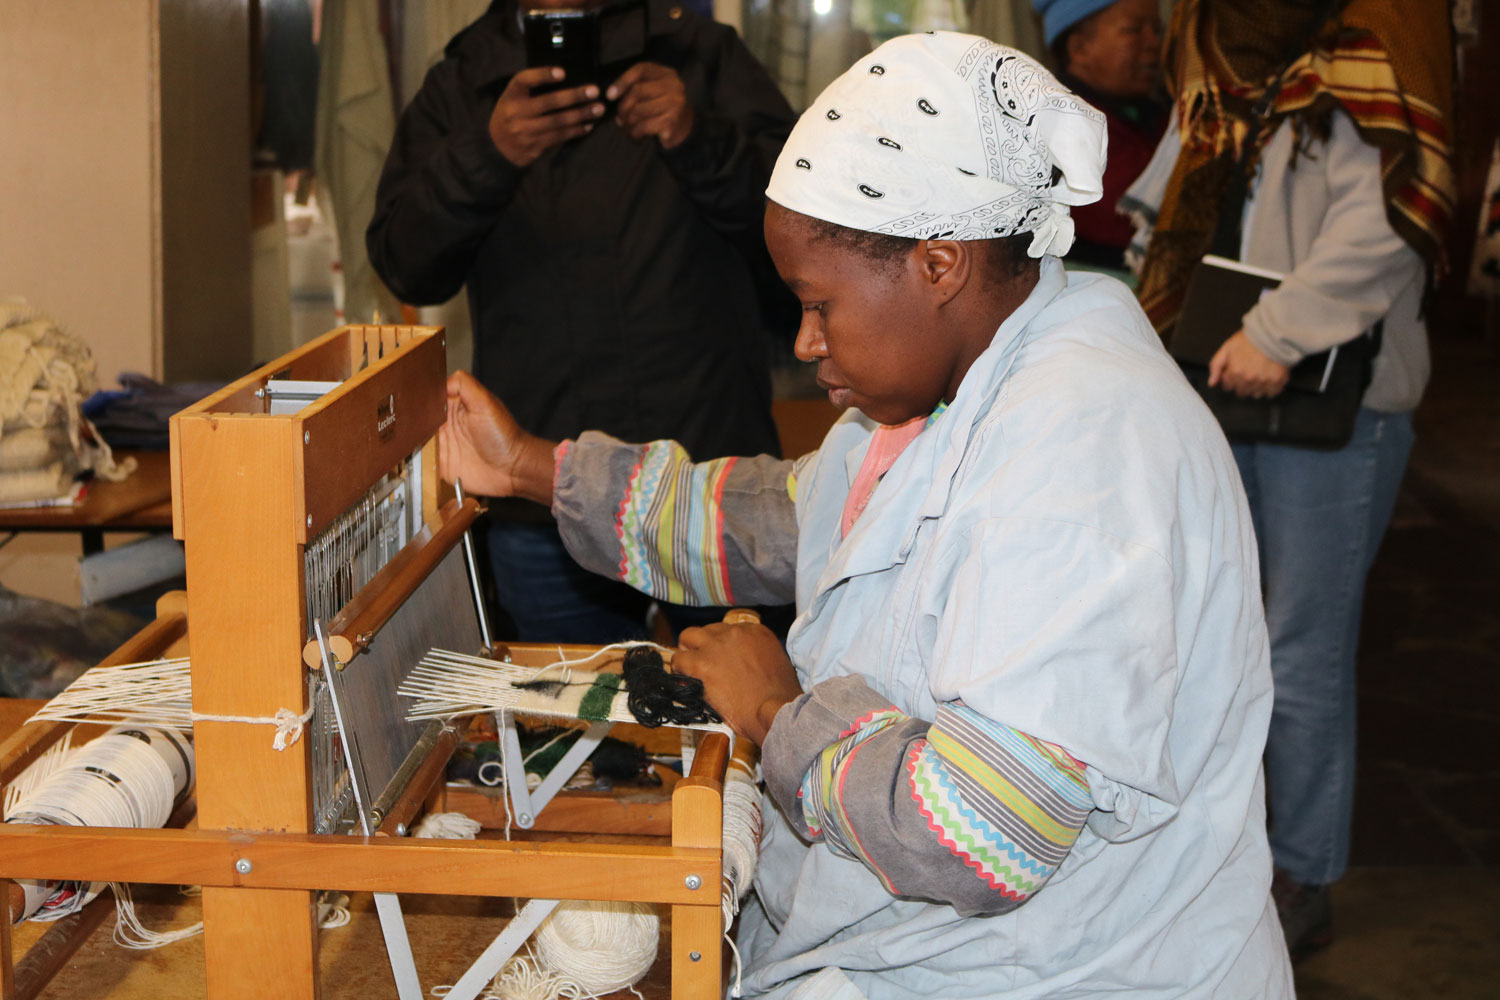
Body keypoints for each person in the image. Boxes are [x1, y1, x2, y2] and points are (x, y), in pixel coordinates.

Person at [442, 32, 1293, 998]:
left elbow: (984, 835)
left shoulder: (1087, 454)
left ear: (938, 265)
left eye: (818, 304)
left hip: (1055, 972)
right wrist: (530, 469)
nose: (805, 340)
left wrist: (773, 711)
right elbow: (783, 518)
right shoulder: (955, 384)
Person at [1132, 0, 1455, 962]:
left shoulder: (1371, 51)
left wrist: (1275, 334)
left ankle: (1301, 875)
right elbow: (1165, 192)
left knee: (1301, 653)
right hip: (1215, 383)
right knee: (1209, 631)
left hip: (1333, 402)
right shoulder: (1219, 65)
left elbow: (1390, 221)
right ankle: (1215, 851)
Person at [366, 0, 796, 642]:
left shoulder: (701, 54)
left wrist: (697, 136)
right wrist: (488, 153)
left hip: (712, 478)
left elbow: (803, 237)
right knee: (569, 722)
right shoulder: (464, 82)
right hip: (536, 486)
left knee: (741, 723)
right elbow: (406, 263)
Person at [1033, 0, 1167, 270]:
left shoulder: (1158, 116)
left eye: (1156, 29)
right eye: (1133, 30)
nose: (1154, 43)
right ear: (1080, 48)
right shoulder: (1057, 125)